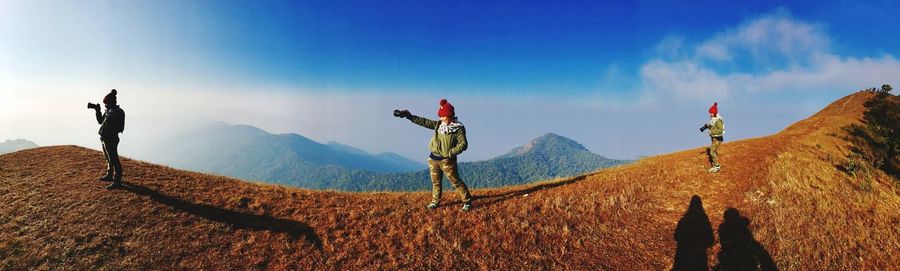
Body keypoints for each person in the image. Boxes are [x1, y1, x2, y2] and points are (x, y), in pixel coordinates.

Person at [394, 99, 473, 212]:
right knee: (436, 182)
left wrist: (450, 153)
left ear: (450, 116)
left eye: (443, 116)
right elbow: (424, 122)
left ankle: (467, 202)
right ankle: (435, 202)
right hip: (433, 159)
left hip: (447, 161)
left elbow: (463, 144)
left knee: (455, 181)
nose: (441, 119)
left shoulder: (458, 128)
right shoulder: (438, 125)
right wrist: (409, 116)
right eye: (440, 116)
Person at [93, 89, 126, 189]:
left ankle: (117, 181)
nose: (105, 105)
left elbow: (119, 127)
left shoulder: (118, 112)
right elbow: (100, 121)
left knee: (114, 159)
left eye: (106, 103)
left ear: (111, 102)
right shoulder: (109, 112)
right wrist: (98, 111)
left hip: (111, 138)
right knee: (108, 158)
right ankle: (109, 175)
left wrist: (110, 127)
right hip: (105, 138)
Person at [701, 102, 724, 173]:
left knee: (712, 152)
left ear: (714, 113)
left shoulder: (718, 120)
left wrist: (712, 132)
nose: (710, 114)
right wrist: (706, 127)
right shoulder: (713, 119)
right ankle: (714, 166)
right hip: (714, 138)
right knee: (712, 151)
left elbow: (720, 130)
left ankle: (717, 166)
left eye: (711, 113)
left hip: (718, 138)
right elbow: (712, 126)